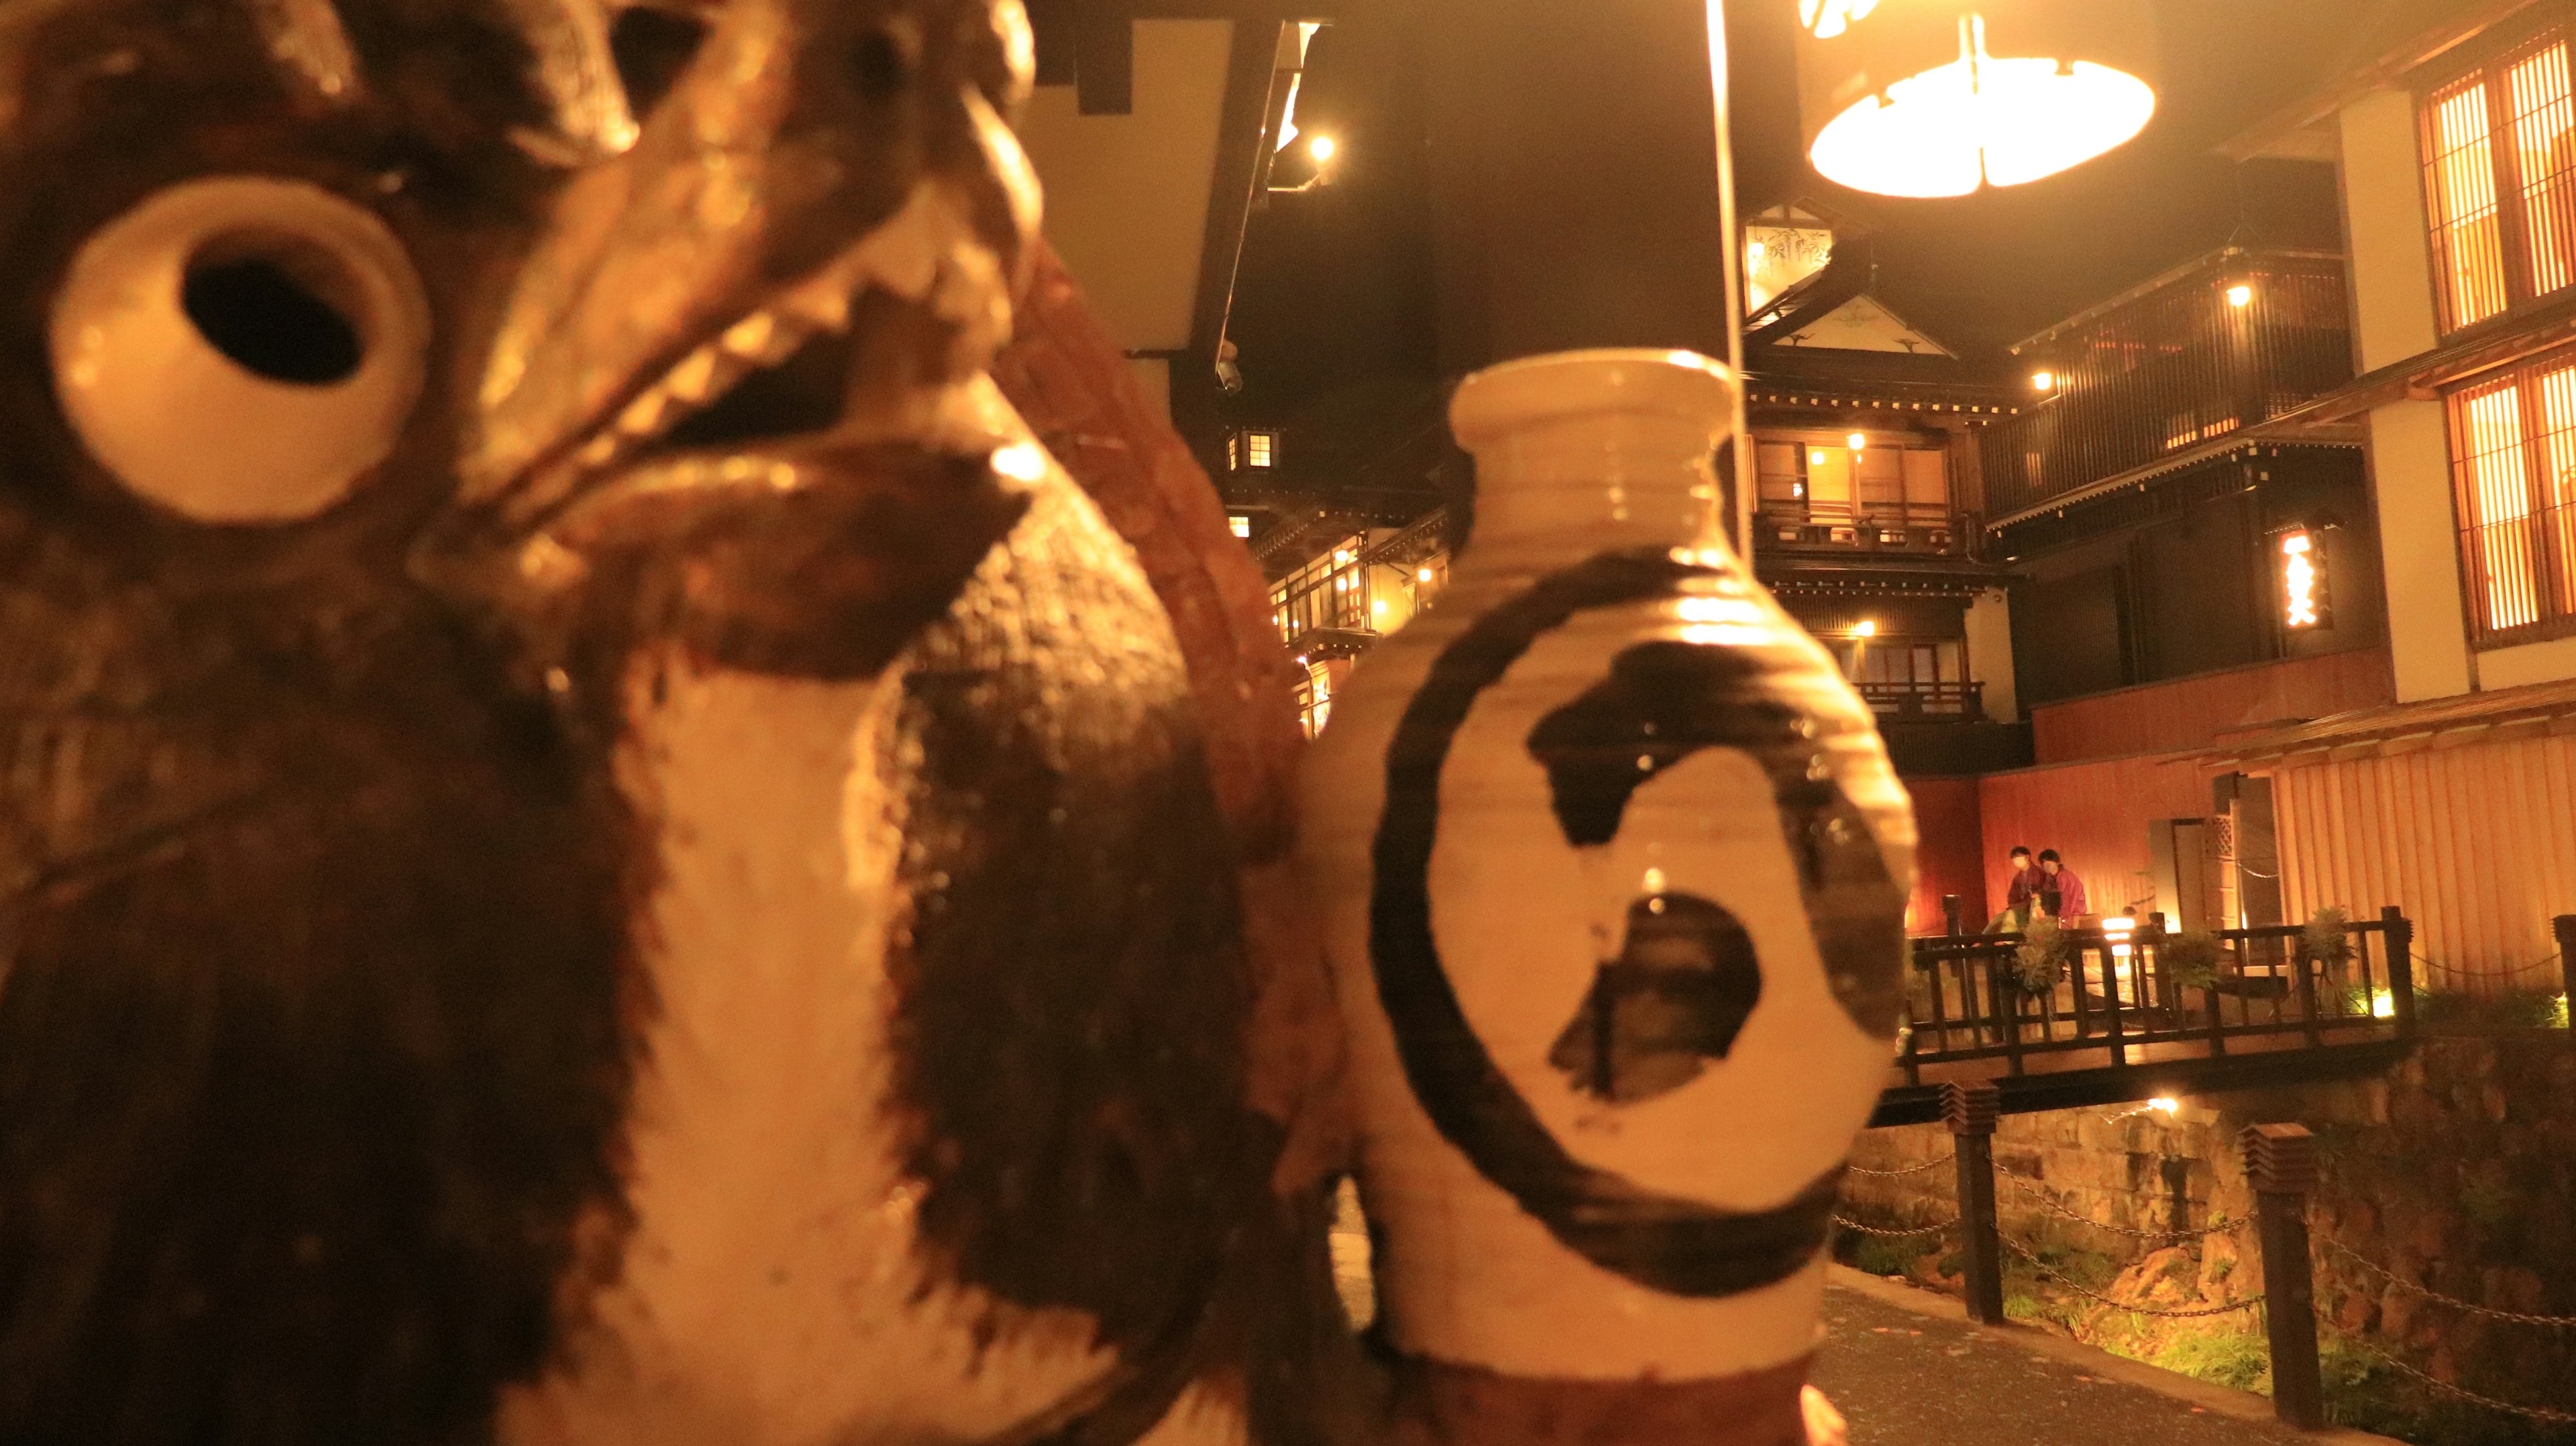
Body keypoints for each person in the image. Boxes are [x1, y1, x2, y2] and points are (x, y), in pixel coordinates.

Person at [2037, 848, 2089, 922]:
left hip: (2073, 915)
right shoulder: (2050, 878)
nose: (2047, 867)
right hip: (2062, 915)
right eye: (2044, 865)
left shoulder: (2064, 876)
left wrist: (2063, 918)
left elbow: (2065, 899)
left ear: (2057, 863)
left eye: (2049, 864)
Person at [2001, 845, 2044, 929]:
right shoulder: (2017, 878)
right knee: (2002, 918)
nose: (2016, 860)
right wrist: (2015, 905)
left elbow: (2045, 889)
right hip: (2021, 908)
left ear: (2027, 857)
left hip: (2034, 908)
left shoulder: (2040, 873)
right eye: (2014, 858)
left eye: (2018, 857)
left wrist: (2038, 895)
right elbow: (2012, 897)